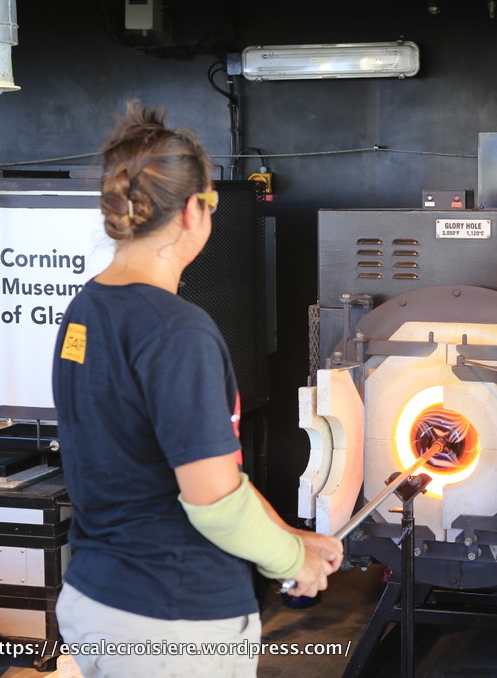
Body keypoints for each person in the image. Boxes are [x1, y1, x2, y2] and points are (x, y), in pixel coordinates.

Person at [52, 100, 343, 677]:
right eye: (211, 203)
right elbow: (210, 501)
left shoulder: (86, 309)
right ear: (194, 211)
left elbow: (204, 472)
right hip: (172, 619)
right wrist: (292, 560)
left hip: (98, 596)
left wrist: (289, 536)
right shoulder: (177, 330)